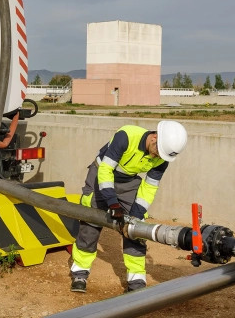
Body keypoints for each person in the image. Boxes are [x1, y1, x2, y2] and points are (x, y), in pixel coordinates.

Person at [69, 120, 188, 293]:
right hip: (101, 172)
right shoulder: (126, 136)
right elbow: (105, 170)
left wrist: (136, 214)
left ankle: (136, 281)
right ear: (154, 137)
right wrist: (112, 203)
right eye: (157, 152)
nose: (157, 157)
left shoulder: (163, 157)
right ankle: (80, 272)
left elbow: (150, 187)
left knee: (136, 228)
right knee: (91, 222)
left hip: (129, 181)